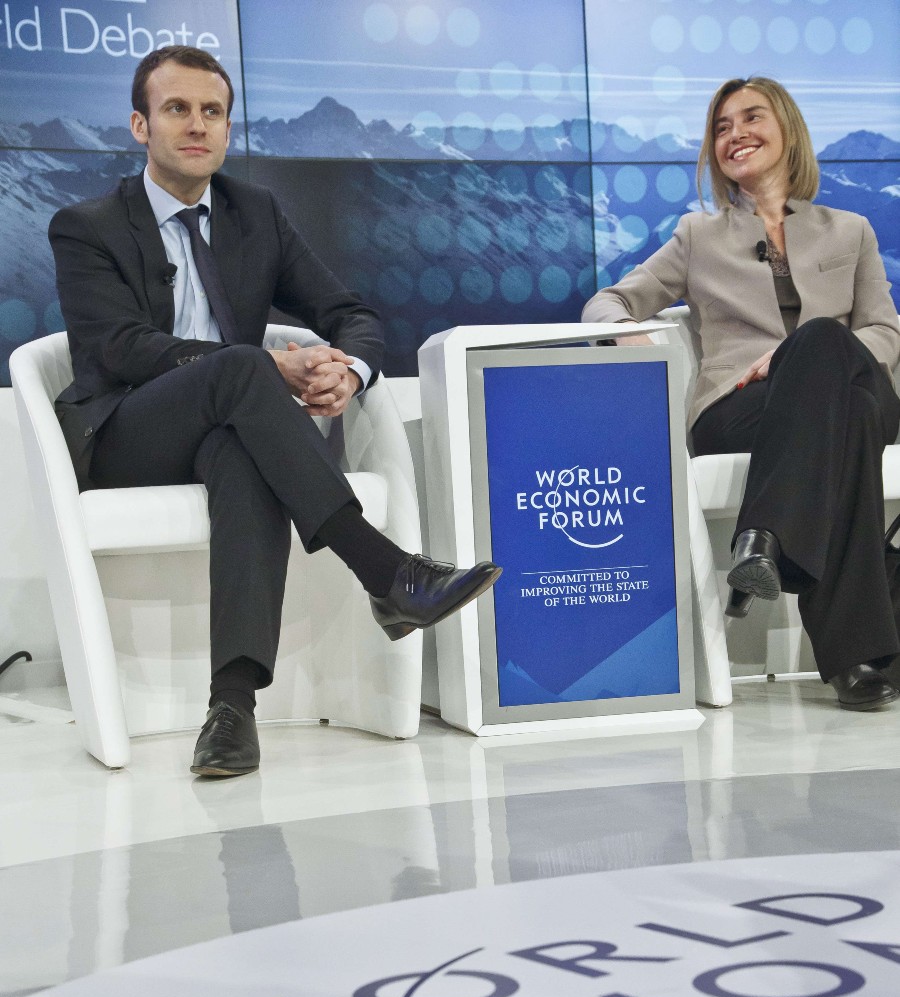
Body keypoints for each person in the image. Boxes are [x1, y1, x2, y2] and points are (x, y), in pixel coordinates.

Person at [48, 45, 500, 777]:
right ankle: (386, 571)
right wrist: (262, 366)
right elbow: (122, 348)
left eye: (212, 111)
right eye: (177, 109)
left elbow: (347, 312)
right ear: (140, 125)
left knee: (242, 450)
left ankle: (232, 710)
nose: (197, 125)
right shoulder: (87, 224)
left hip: (230, 422)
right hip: (126, 433)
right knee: (239, 368)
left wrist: (349, 373)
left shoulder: (253, 212)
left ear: (227, 129)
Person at [583, 76, 900, 711]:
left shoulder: (851, 230)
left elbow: (886, 331)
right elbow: (608, 301)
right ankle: (857, 654)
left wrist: (799, 354)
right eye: (722, 127)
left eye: (751, 118)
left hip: (844, 389)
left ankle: (766, 537)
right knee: (852, 416)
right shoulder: (699, 237)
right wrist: (626, 337)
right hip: (741, 411)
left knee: (825, 354)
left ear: (788, 131)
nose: (735, 135)